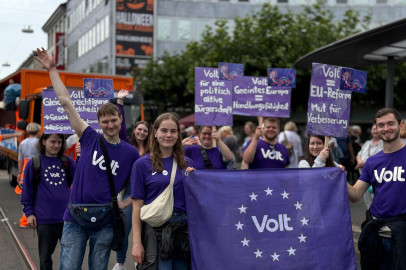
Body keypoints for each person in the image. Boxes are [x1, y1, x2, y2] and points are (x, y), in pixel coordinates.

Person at [34, 47, 140, 270]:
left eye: (114, 120)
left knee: (98, 267)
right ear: (99, 123)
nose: (110, 125)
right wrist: (52, 69)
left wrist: (124, 203)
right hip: (75, 217)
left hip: (105, 221)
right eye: (105, 122)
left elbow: (139, 188)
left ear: (120, 119)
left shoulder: (130, 153)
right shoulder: (89, 137)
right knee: (69, 266)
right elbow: (65, 102)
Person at [131, 113, 195, 269]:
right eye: (164, 130)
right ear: (155, 133)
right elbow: (137, 207)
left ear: (179, 135)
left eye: (173, 131)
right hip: (156, 233)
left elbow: (199, 201)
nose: (169, 135)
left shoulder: (189, 164)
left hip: (183, 234)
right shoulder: (141, 164)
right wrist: (137, 243)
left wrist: (196, 180)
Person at [347, 108, 406, 270]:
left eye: (390, 124)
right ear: (376, 128)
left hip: (402, 238)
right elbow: (355, 194)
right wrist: (338, 176)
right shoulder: (372, 162)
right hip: (376, 236)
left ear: (400, 125)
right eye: (381, 125)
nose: (386, 129)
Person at [21, 133, 76, 270]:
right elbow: (27, 191)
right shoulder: (34, 163)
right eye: (53, 142)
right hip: (45, 218)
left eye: (59, 142)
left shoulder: (67, 162)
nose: (56, 145)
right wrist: (29, 213)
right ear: (44, 141)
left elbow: (80, 180)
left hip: (68, 218)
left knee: (71, 257)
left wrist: (80, 156)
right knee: (45, 258)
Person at [113, 91, 151, 270]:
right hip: (130, 192)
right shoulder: (127, 146)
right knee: (125, 229)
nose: (142, 132)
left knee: (145, 231)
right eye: (139, 129)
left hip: (150, 193)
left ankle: (140, 260)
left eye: (145, 130)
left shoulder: (153, 150)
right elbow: (120, 127)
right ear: (134, 131)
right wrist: (120, 102)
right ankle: (120, 263)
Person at [16, 122, 41, 228]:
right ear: (38, 131)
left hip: (26, 168)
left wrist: (19, 172)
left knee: (25, 194)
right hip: (36, 167)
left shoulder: (23, 143)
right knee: (37, 193)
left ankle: (25, 219)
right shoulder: (39, 143)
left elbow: (20, 159)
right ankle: (36, 218)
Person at [354, 124, 383, 209]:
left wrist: (364, 164)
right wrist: (359, 161)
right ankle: (371, 217)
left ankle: (378, 217)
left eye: (377, 129)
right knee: (367, 199)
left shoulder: (384, 143)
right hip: (364, 175)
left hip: (377, 175)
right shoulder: (367, 142)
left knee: (377, 198)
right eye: (373, 129)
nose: (375, 131)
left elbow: (380, 158)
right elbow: (359, 154)